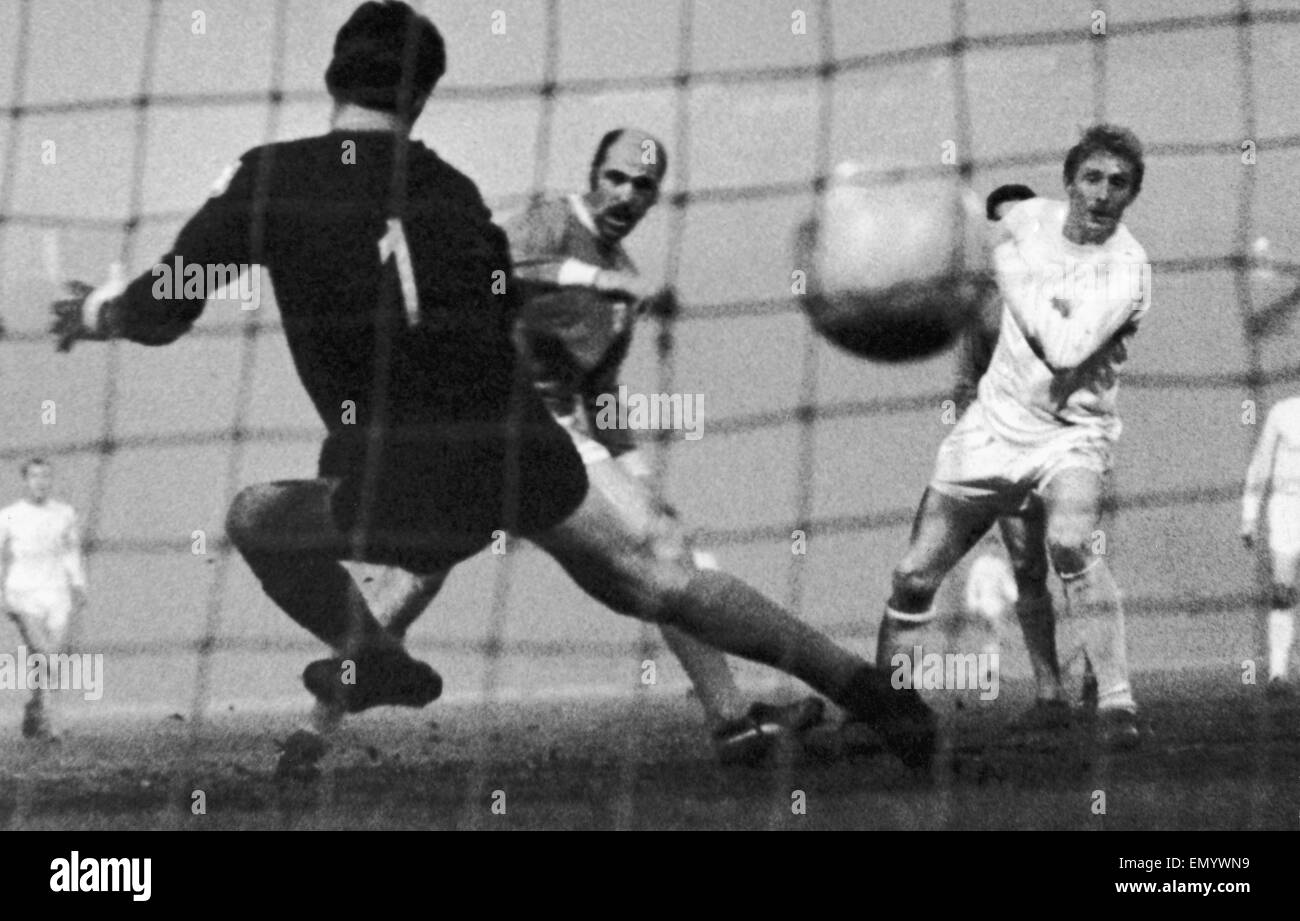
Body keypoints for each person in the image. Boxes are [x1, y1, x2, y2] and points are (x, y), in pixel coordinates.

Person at [50, 1, 933, 774]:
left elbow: (163, 309)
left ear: (333, 74)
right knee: (667, 576)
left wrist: (94, 312)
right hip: (523, 445)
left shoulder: (269, 176)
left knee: (254, 516)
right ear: (423, 98)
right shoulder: (457, 191)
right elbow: (495, 308)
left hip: (407, 480)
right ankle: (863, 684)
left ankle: (373, 656)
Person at [293, 127, 827, 771]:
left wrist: (635, 470)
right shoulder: (550, 223)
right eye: (617, 177)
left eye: (643, 186)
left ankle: (733, 724)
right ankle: (313, 732)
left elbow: (599, 391)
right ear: (594, 174)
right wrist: (603, 281)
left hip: (557, 443)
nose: (627, 193)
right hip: (480, 424)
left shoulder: (622, 290)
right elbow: (501, 270)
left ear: (655, 200)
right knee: (415, 575)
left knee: (666, 550)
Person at [874, 124, 1151, 751]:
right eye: (1093, 178)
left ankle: (1115, 702)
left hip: (1071, 435)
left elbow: (1064, 348)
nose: (1103, 193)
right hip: (990, 434)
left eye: (1119, 183)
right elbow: (969, 239)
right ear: (1070, 181)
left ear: (1131, 195)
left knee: (1071, 543)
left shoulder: (1128, 268)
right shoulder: (1029, 219)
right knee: (913, 574)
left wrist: (1002, 266)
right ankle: (887, 707)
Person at [945, 183, 1100, 730]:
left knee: (1074, 558)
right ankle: (1049, 692)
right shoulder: (980, 307)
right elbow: (966, 384)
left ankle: (1100, 674)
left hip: (1067, 449)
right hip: (1006, 453)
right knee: (1027, 570)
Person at [0, 459, 88, 740]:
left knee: (52, 658)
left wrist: (78, 584)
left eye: (45, 476)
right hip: (23, 594)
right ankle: (52, 724)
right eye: (34, 476)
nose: (40, 481)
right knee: (46, 655)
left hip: (57, 593)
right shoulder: (9, 515)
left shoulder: (64, 513)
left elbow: (70, 551)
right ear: (25, 480)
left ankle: (35, 707)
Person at [1241, 394, 1300, 696]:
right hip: (1288, 508)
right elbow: (1261, 463)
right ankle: (1278, 672)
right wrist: (1249, 516)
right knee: (1282, 591)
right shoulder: (1283, 412)